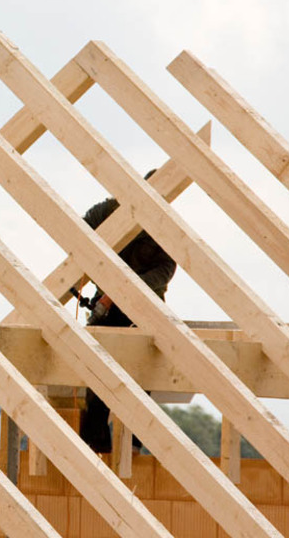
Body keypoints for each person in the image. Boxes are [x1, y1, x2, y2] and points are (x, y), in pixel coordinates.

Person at [77, 175, 176, 453]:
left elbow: (166, 269)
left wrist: (124, 289)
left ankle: (132, 447)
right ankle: (95, 447)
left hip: (145, 310)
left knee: (140, 378)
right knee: (98, 378)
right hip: (106, 307)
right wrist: (107, 285)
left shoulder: (166, 227)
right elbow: (78, 237)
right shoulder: (108, 212)